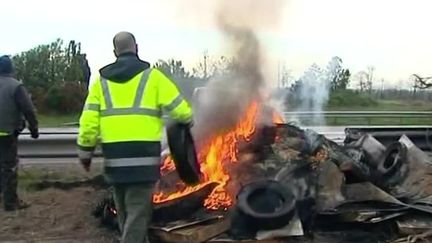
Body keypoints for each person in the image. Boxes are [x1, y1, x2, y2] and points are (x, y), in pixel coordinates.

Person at [77, 32, 193, 243]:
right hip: (143, 159)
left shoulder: (100, 83)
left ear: (115, 52)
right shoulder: (153, 77)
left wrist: (85, 152)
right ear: (136, 48)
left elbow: (88, 122)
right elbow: (182, 111)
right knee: (138, 215)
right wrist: (187, 121)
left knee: (125, 214)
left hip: (114, 160)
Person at [0, 55, 39, 211]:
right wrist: (33, 129)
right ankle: (10, 203)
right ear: (11, 68)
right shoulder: (16, 86)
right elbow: (28, 110)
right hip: (7, 133)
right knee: (9, 168)